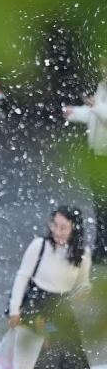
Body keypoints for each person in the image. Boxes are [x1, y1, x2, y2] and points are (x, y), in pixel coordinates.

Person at [8, 206, 93, 369]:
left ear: (74, 229)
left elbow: (82, 283)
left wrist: (84, 292)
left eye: (63, 227)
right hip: (38, 308)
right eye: (54, 224)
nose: (57, 230)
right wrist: (15, 309)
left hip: (63, 311)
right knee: (39, 365)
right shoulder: (40, 246)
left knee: (71, 364)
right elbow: (22, 276)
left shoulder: (82, 254)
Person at [64, 74, 107, 262]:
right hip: (98, 153)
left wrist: (96, 106)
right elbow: (93, 115)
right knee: (100, 205)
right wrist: (74, 113)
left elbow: (101, 113)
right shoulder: (102, 86)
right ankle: (101, 248)